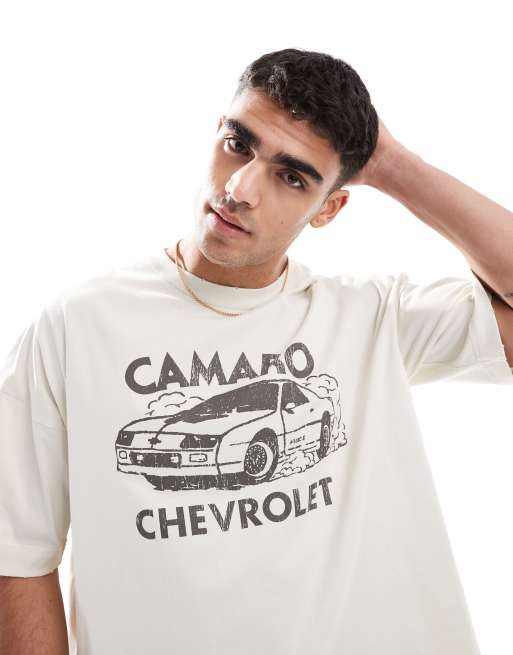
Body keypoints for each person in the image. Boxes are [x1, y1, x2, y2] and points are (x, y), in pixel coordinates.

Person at [1, 47, 512, 655]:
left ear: (330, 207)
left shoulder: (372, 317)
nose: (239, 189)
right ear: (217, 129)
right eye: (238, 144)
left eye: (292, 177)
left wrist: (391, 165)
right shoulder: (77, 324)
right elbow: (17, 555)